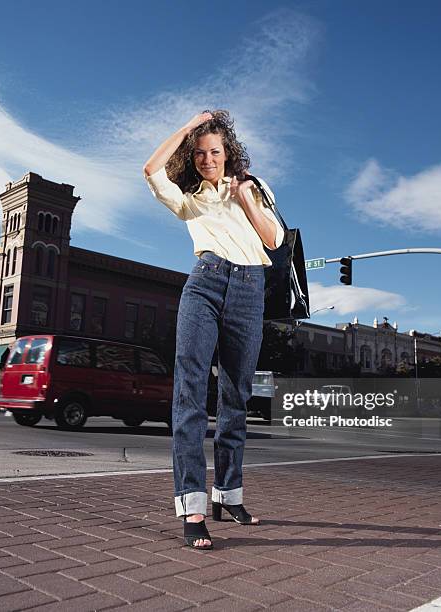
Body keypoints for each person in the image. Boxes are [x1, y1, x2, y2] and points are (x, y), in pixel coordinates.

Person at [143, 110, 284, 550]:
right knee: (190, 394)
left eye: (215, 151)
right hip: (204, 284)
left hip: (249, 289)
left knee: (236, 398)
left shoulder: (253, 188)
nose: (207, 159)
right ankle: (193, 507)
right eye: (200, 153)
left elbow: (274, 240)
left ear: (228, 153)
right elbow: (150, 170)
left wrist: (245, 199)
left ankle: (229, 496)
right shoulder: (189, 197)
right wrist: (187, 126)